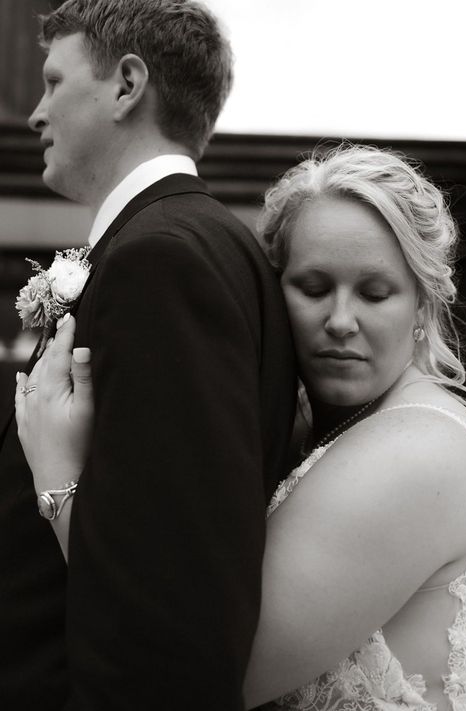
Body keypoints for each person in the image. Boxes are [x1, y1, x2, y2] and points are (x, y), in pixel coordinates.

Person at [17, 144, 466, 711]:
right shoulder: (314, 423)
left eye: (375, 293)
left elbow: (191, 673)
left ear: (423, 308)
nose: (339, 321)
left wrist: (58, 479)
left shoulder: (417, 451)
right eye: (312, 288)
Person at [1, 1, 296, 709]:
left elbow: (170, 602)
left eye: (52, 81)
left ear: (127, 86)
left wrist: (54, 482)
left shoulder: (160, 261)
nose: (35, 114)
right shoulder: (184, 241)